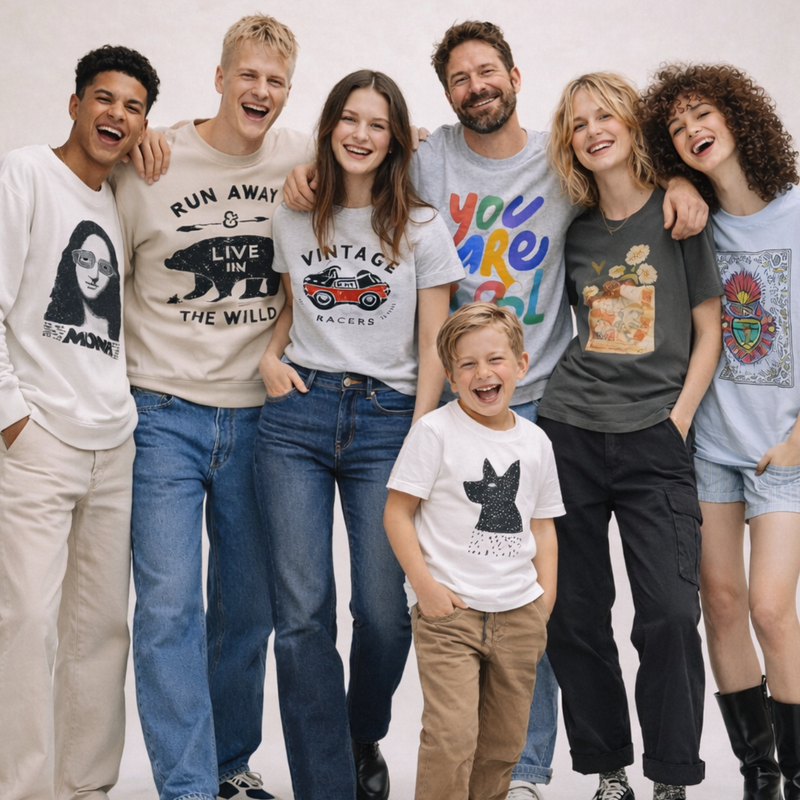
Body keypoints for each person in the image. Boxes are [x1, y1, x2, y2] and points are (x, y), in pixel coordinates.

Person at [283, 22, 710, 798]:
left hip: (544, 399)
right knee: (425, 592)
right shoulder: (433, 152)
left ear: (515, 75)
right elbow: (358, 156)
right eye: (459, 78)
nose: (476, 86)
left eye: (488, 72)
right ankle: (409, 746)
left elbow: (628, 172)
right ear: (446, 92)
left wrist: (684, 182)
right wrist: (302, 174)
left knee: (532, 590)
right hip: (440, 397)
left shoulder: (558, 157)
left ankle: (526, 770)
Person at [111, 15, 311, 800]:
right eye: (249, 75)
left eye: (276, 81)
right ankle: (188, 786)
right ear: (222, 78)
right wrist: (130, 138)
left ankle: (231, 767)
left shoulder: (302, 153)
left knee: (248, 610)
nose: (260, 91)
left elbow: (395, 146)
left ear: (287, 92)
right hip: (162, 414)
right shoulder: (150, 161)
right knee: (167, 608)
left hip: (262, 419)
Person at [254, 69, 464, 800]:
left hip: (387, 421)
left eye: (377, 124)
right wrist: (267, 355)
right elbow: (292, 309)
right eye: (349, 119)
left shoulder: (422, 225)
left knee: (381, 609)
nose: (360, 135)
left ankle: (360, 730)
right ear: (330, 125)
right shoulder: (292, 212)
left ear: (396, 138)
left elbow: (436, 339)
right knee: (302, 614)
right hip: (296, 419)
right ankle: (326, 785)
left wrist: (420, 436)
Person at [536, 72, 723, 800]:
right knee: (576, 614)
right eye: (578, 123)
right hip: (571, 432)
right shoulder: (575, 229)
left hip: (655, 441)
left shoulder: (681, 217)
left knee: (671, 616)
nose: (592, 131)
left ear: (629, 125)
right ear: (570, 142)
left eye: (605, 115)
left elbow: (708, 332)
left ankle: (672, 777)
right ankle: (608, 767)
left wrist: (676, 421)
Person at [0, 45, 159, 800]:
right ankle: (24, 790)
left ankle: (84, 789)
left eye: (132, 107)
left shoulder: (123, 194)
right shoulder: (25, 173)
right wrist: (11, 421)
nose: (115, 116)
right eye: (103, 99)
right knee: (27, 624)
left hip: (114, 442)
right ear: (73, 103)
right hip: (38, 440)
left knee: (101, 633)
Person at [641, 64, 800, 800]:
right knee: (724, 603)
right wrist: (674, 184)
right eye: (675, 127)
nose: (691, 130)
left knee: (772, 606)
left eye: (701, 113)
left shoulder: (796, 213)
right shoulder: (689, 216)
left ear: (739, 119)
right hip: (711, 448)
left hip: (785, 446)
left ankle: (797, 774)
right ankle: (759, 775)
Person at [383, 302, 563, 800]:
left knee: (503, 744)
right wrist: (426, 590)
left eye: (496, 360)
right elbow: (396, 514)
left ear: (522, 365)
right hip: (451, 616)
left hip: (518, 615)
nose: (483, 373)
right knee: (451, 738)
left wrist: (542, 602)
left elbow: (543, 526)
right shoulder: (434, 432)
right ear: (450, 375)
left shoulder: (537, 442)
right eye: (468, 364)